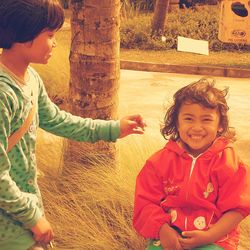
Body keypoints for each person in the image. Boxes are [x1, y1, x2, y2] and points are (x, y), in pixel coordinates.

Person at [0, 1, 146, 249]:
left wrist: (113, 129)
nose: (55, 42)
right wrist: (32, 217)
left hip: (24, 211)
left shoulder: (30, 79)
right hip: (9, 223)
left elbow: (58, 120)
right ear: (24, 36)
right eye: (50, 35)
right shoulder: (4, 93)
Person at [133, 78, 250, 250]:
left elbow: (237, 208)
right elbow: (145, 203)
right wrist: (162, 230)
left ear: (220, 125)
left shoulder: (229, 162)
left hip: (215, 237)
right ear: (177, 123)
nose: (196, 127)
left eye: (206, 120)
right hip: (169, 233)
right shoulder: (159, 162)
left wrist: (210, 235)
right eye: (188, 118)